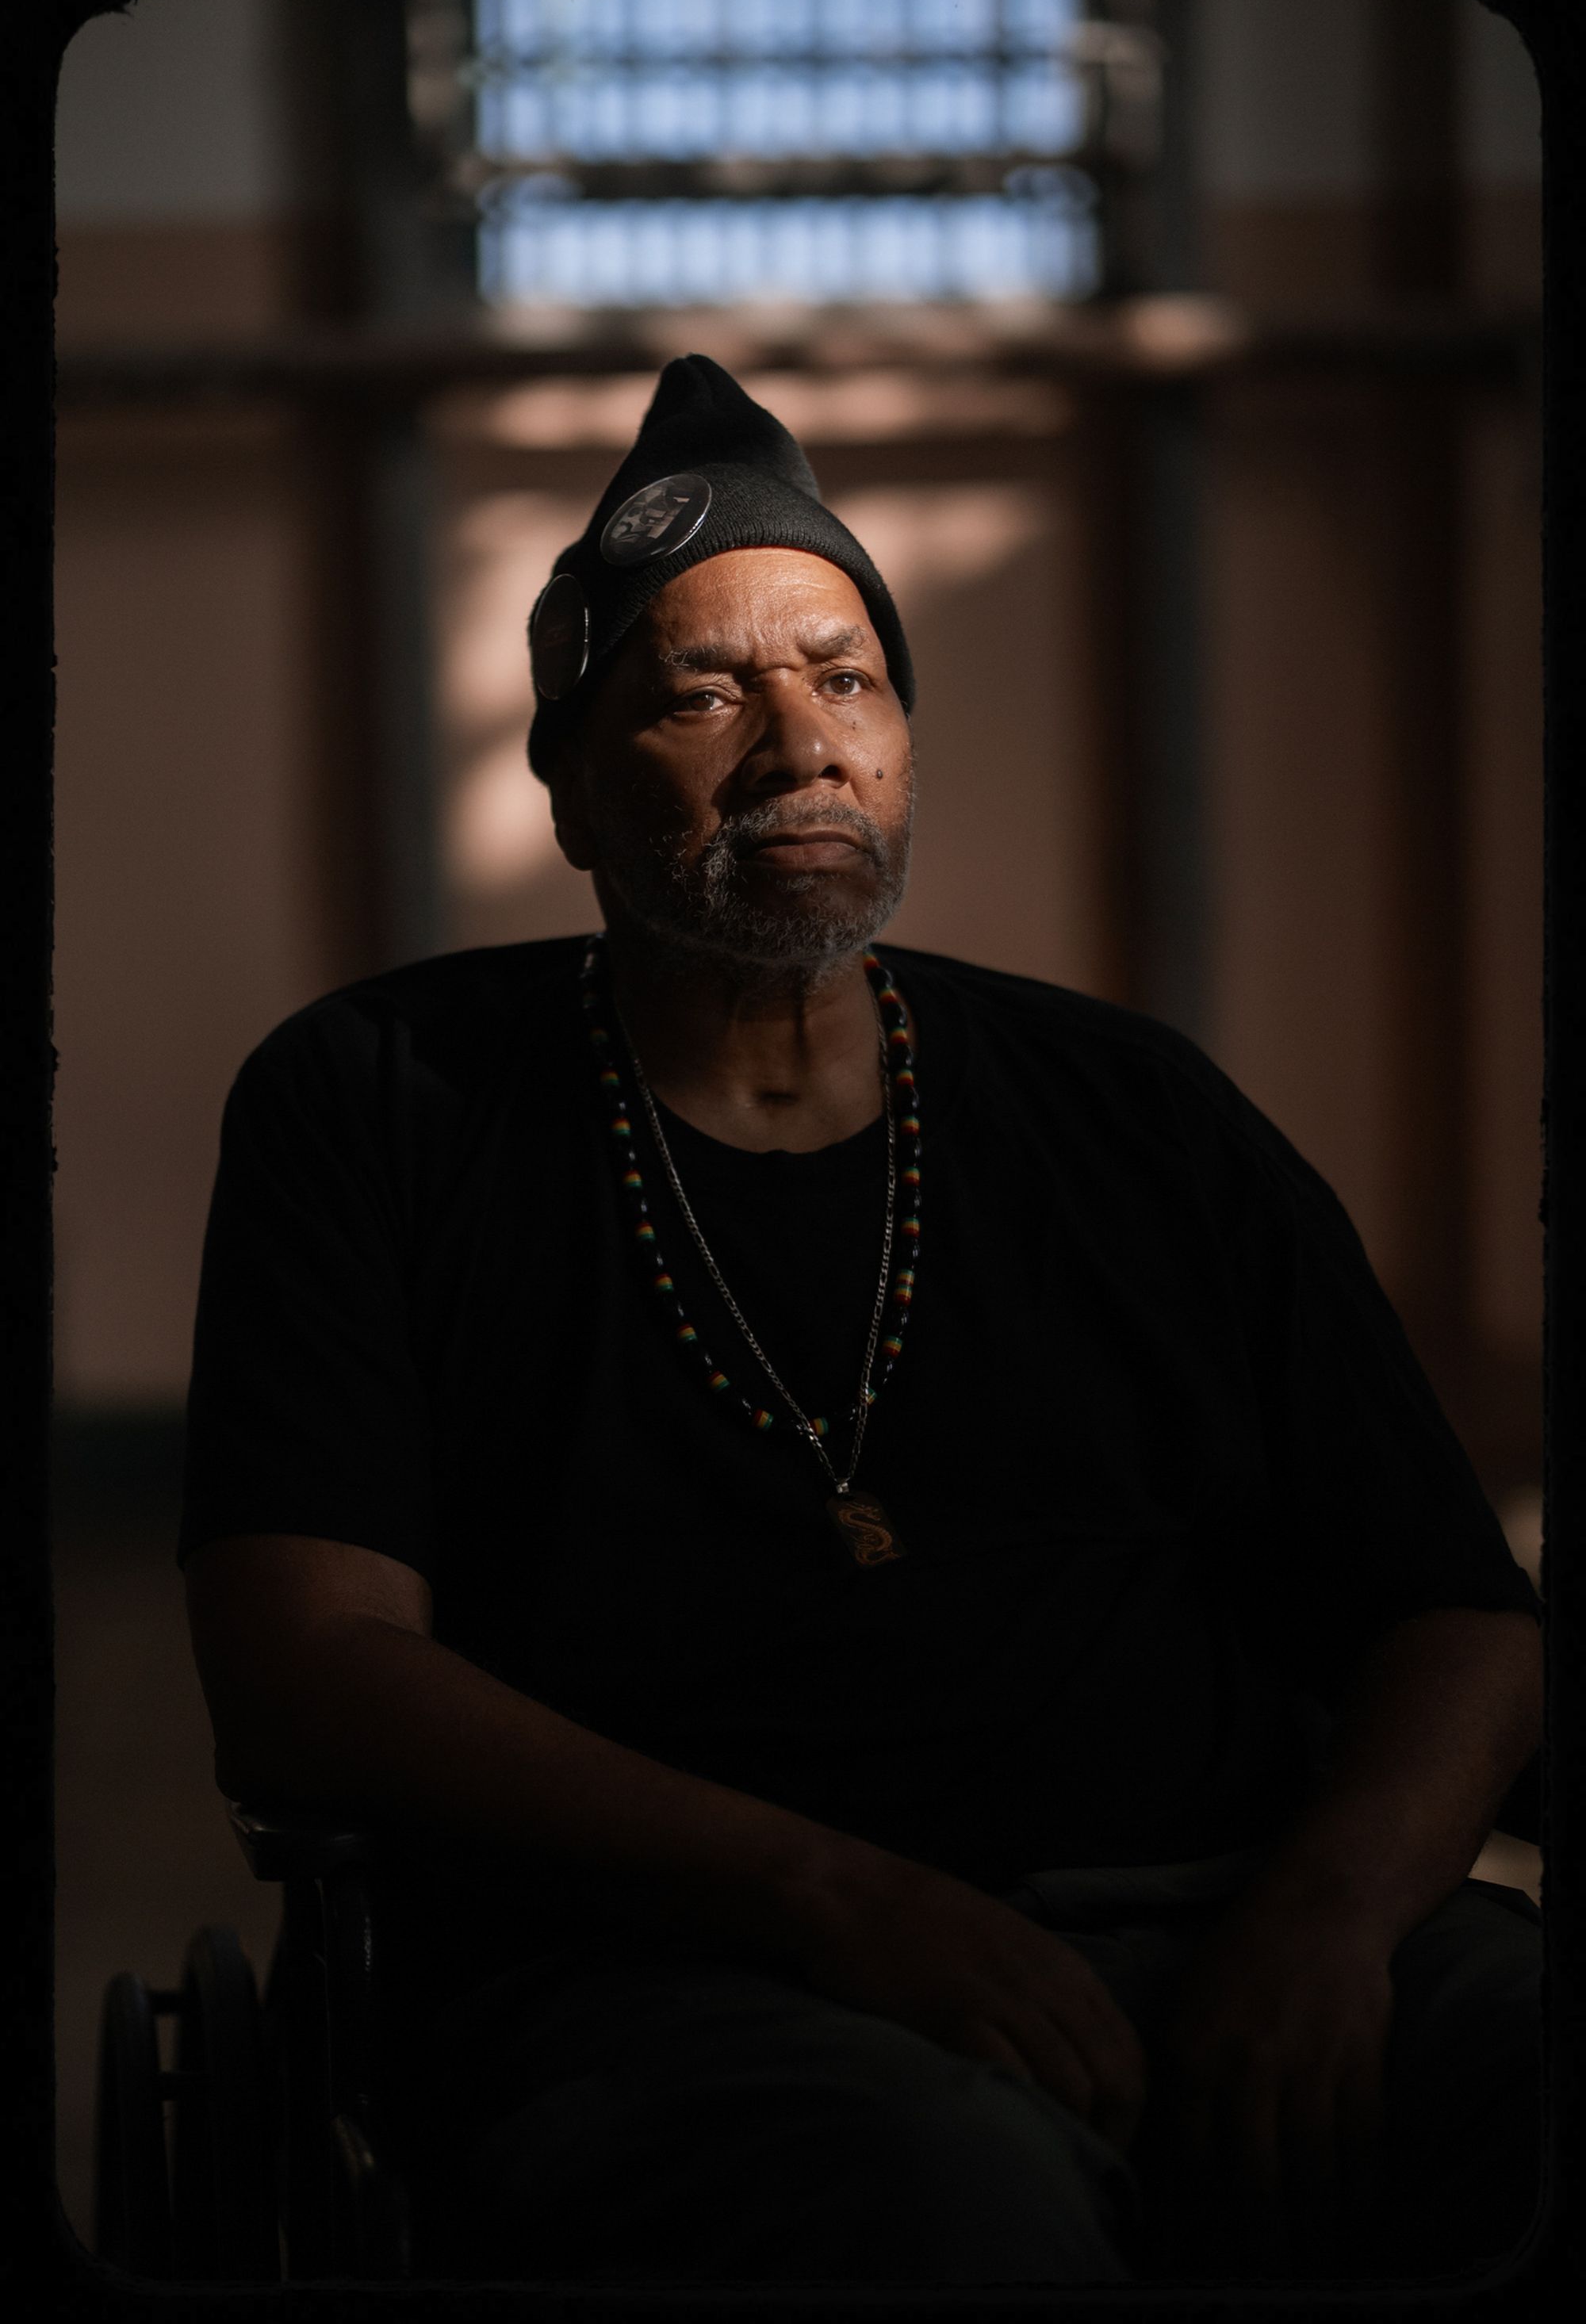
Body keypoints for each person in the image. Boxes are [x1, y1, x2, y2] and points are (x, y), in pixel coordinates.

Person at [180, 355, 1543, 2288]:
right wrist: (830, 1895)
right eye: (701, 692)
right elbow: (306, 1664)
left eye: (846, 678)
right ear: (565, 785)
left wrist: (1330, 1918)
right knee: (939, 2201)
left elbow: (1456, 1612)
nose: (799, 746)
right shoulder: (379, 1105)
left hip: (1224, 1911)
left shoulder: (1134, 1110)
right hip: (671, 1976)